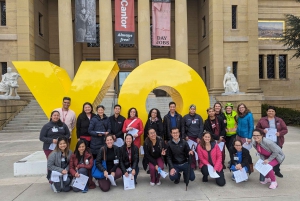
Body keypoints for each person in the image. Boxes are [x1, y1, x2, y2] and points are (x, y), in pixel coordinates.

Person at [255, 106, 288, 178]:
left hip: (277, 141)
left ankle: (277, 170)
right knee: (266, 156)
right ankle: (267, 171)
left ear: (275, 112)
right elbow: (257, 128)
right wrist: (262, 130)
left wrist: (280, 133)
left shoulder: (279, 120)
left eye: (272, 111)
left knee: (277, 156)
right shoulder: (262, 120)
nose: (271, 112)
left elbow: (285, 129)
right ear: (267, 112)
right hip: (266, 142)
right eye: (269, 111)